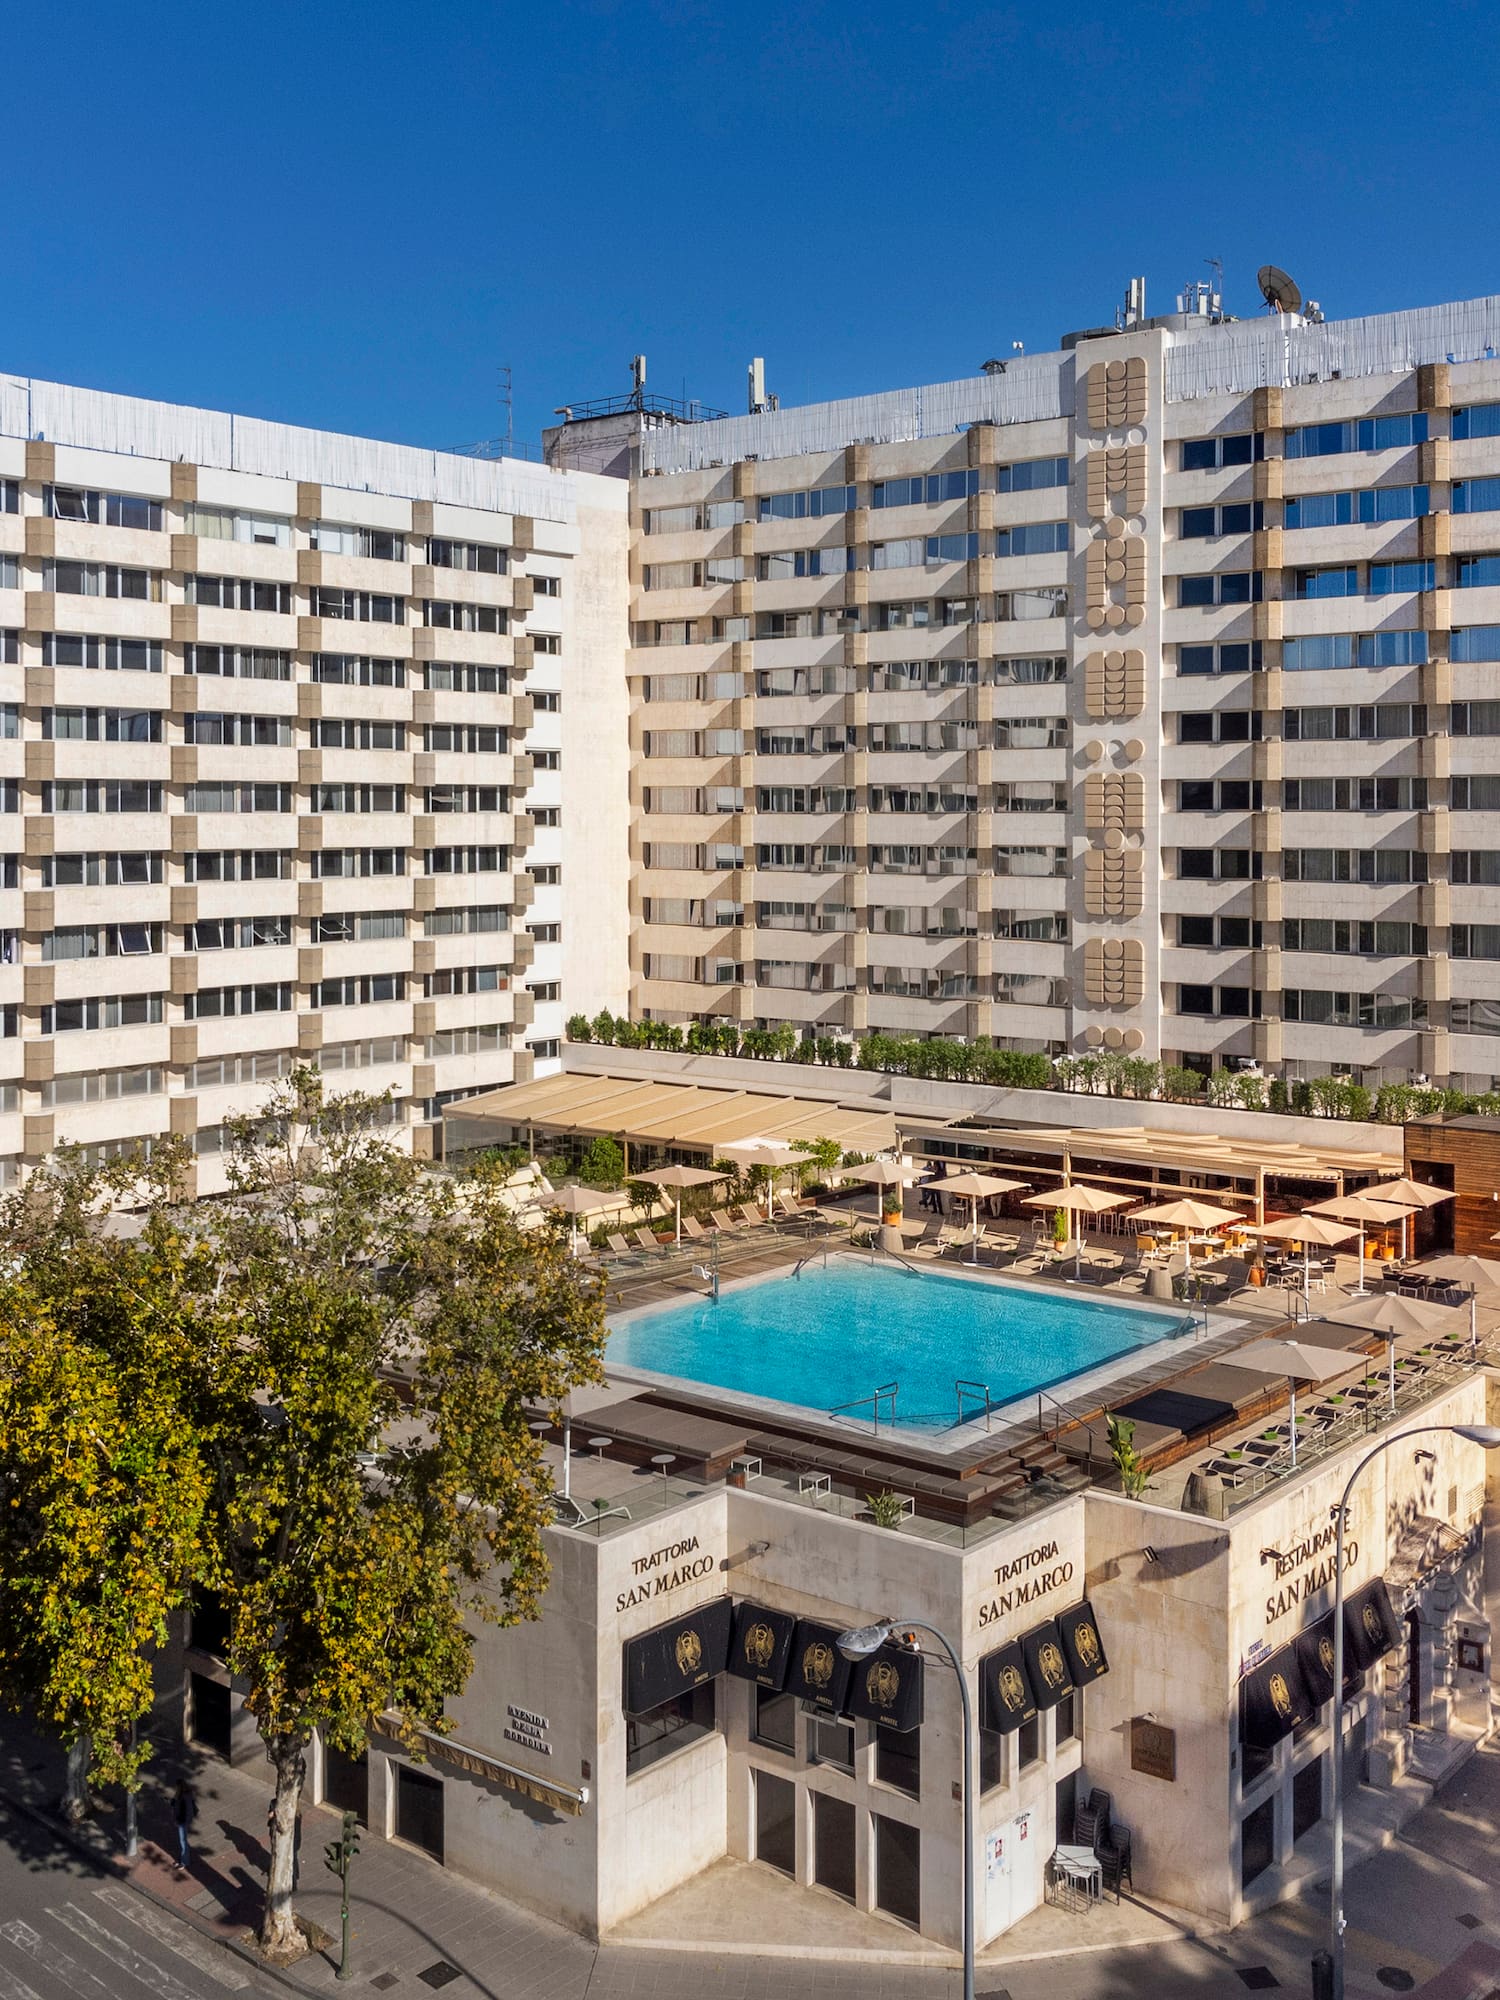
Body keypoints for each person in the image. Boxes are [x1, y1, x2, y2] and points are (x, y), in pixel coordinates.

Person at [171, 1780, 196, 1871]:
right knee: (183, 1840)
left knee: (183, 1841)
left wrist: (178, 1821)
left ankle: (184, 1862)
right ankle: (183, 1859)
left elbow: (182, 1811)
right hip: (185, 1820)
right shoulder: (188, 1794)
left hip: (182, 1822)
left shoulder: (182, 1798)